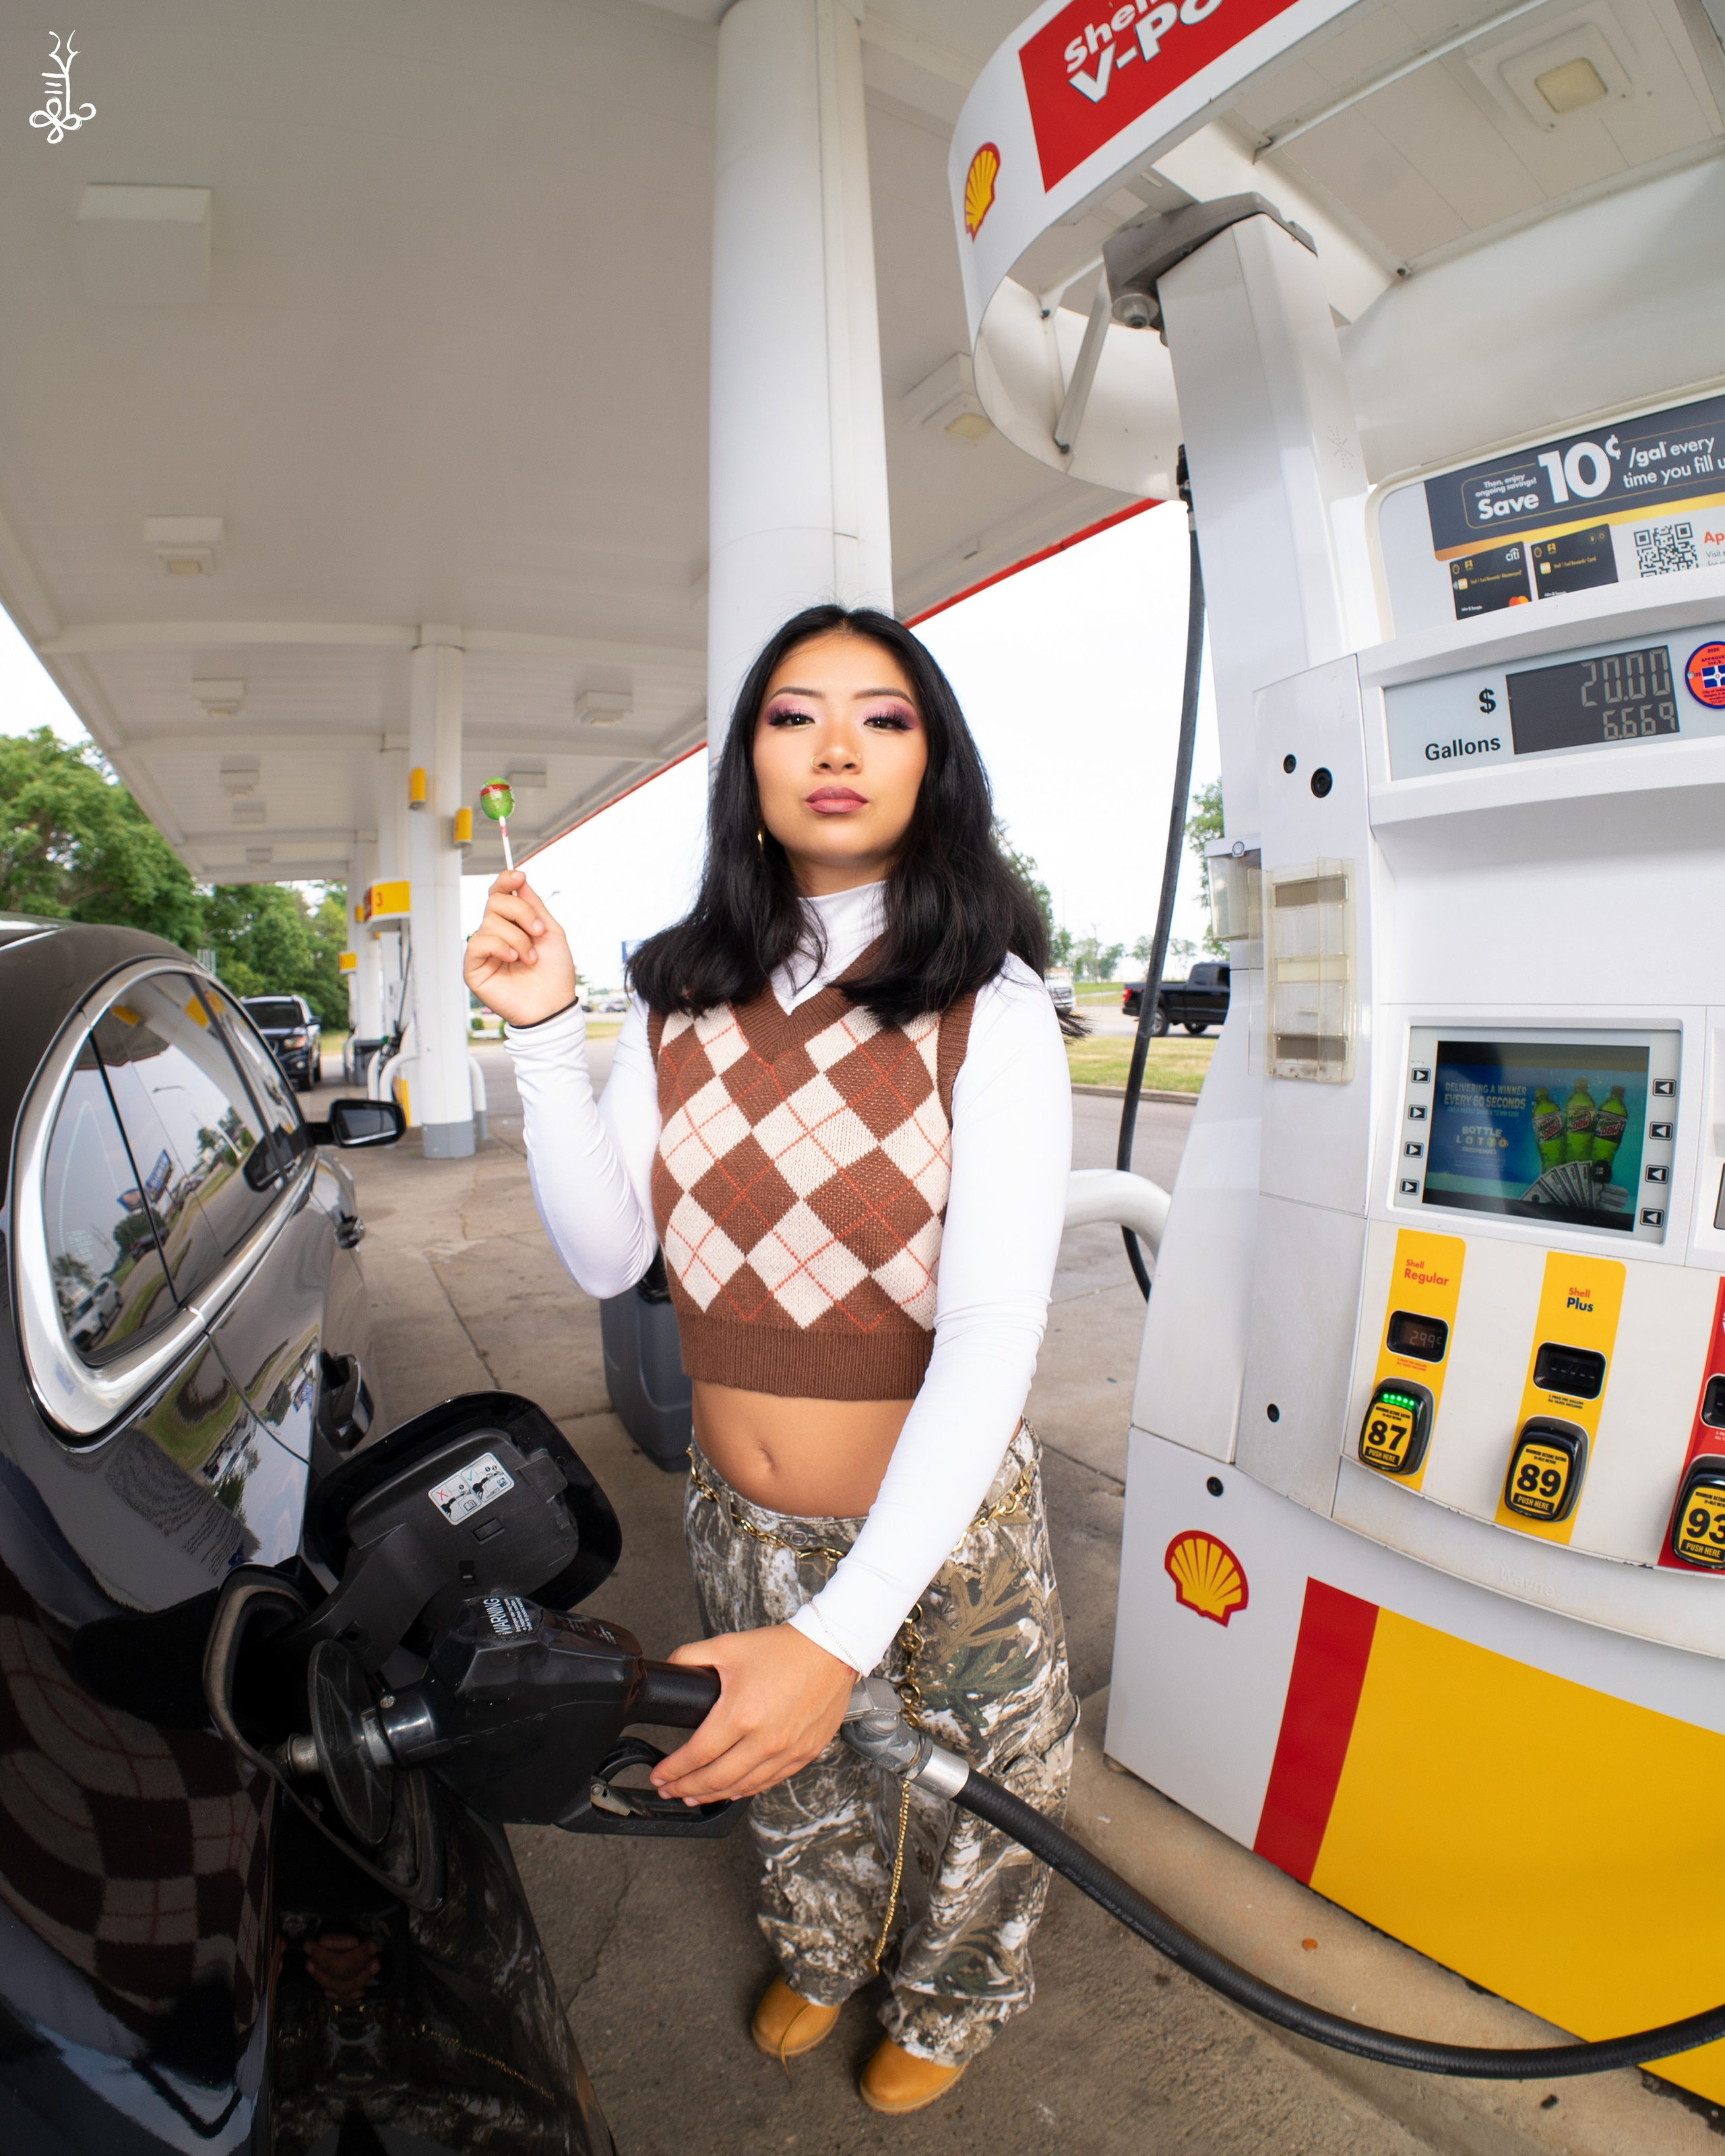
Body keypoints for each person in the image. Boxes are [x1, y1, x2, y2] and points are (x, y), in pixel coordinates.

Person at [464, 604, 1075, 2116]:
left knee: (987, 1784)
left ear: (933, 763)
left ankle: (949, 1993)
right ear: (747, 762)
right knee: (786, 1769)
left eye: (882, 716)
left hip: (941, 1530)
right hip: (736, 1516)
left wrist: (849, 1622)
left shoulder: (986, 1004)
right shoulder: (680, 993)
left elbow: (994, 1325)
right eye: (794, 714)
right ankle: (822, 1940)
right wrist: (547, 1034)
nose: (835, 748)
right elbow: (613, 1257)